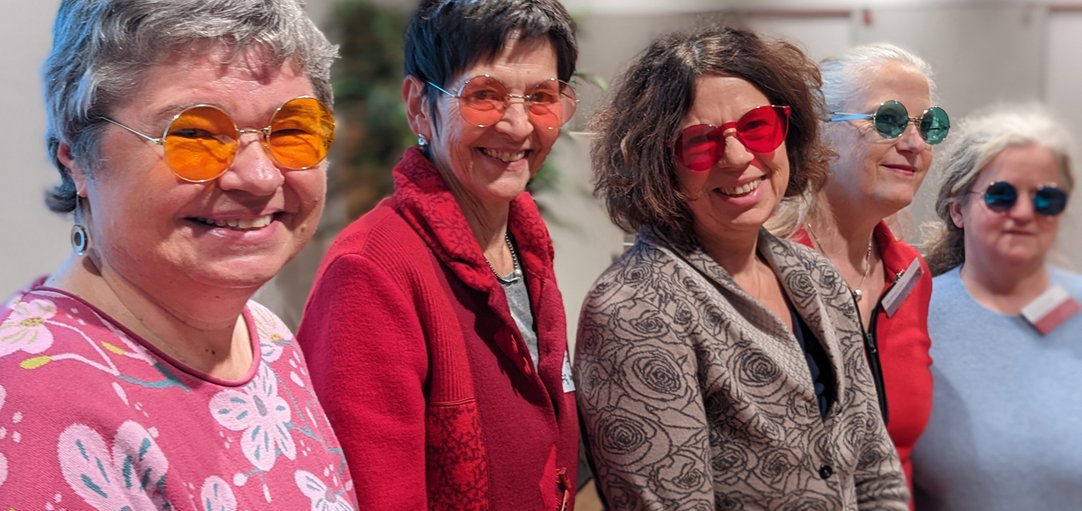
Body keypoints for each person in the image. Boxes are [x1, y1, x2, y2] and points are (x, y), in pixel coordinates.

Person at [0, 0, 355, 508]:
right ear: (77, 157)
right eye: (193, 134)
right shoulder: (36, 403)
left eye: (291, 131)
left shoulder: (265, 336)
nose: (259, 176)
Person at [575, 25, 909, 509]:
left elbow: (875, 473)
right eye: (700, 143)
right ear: (659, 165)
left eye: (757, 128)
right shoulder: (633, 310)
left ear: (787, 135)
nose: (737, 157)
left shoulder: (818, 278)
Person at [296, 0, 579, 509]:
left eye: (541, 97)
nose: (518, 127)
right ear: (417, 105)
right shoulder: (370, 269)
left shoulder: (524, 243)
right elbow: (375, 494)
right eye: (484, 96)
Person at [767, 43, 948, 503]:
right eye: (887, 120)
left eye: (929, 126)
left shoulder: (910, 274)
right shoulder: (762, 265)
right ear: (818, 132)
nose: (914, 144)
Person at [912, 105, 1082, 509]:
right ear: (957, 210)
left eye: (1046, 198)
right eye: (1001, 195)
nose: (1024, 213)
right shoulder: (911, 313)